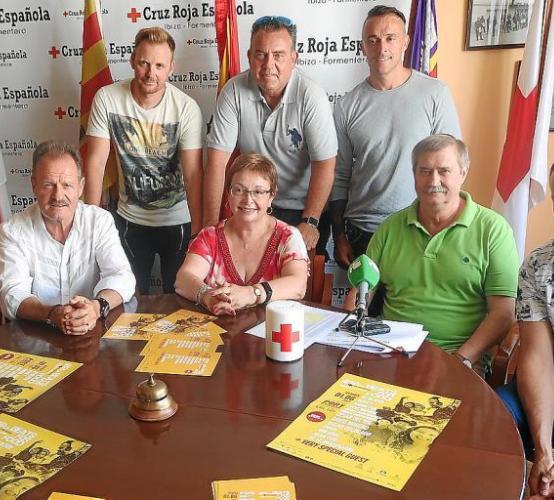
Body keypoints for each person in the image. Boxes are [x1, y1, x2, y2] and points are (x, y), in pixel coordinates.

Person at [366, 134, 518, 376]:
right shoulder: (390, 227)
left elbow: (503, 314)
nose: (433, 180)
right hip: (389, 353)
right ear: (414, 174)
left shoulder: (493, 230)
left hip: (459, 359)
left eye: (444, 171)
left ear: (463, 173)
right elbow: (361, 291)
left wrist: (461, 359)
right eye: (425, 171)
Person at [330, 5, 461, 270]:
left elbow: (452, 166)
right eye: (373, 40)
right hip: (363, 233)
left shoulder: (435, 94)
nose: (382, 48)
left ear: (405, 43)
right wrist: (339, 236)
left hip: (421, 230)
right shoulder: (346, 106)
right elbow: (340, 176)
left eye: (390, 38)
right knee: (362, 299)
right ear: (362, 47)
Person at [83, 27, 203, 294]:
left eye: (160, 66)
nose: (151, 73)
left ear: (171, 68)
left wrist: (198, 230)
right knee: (127, 299)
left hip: (177, 221)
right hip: (130, 220)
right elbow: (95, 163)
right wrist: (90, 223)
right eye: (144, 63)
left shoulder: (186, 108)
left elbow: (193, 173)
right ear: (132, 61)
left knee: (180, 300)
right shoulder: (107, 98)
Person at [203, 15, 337, 251]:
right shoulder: (233, 91)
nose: (268, 65)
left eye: (278, 55)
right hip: (253, 205)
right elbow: (217, 162)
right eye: (260, 55)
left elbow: (325, 164)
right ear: (249, 57)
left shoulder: (311, 96)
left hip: (302, 208)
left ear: (294, 58)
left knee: (298, 273)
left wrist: (310, 220)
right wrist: (210, 227)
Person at [0, 140, 135, 334]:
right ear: (34, 185)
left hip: (91, 332)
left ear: (81, 187)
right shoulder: (12, 231)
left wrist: (96, 307)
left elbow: (121, 275)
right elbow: (12, 295)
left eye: (67, 185)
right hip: (37, 337)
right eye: (48, 185)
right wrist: (53, 313)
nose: (58, 195)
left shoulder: (99, 221)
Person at [175, 153, 308, 316]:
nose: (247, 200)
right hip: (221, 329)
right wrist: (207, 296)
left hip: (271, 328)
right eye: (238, 190)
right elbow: (183, 279)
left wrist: (253, 293)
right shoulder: (210, 236)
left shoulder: (288, 236)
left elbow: (298, 285)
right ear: (228, 193)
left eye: (258, 192)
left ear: (271, 196)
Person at [495, 166, 554, 498]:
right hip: (547, 387)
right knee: (488, 415)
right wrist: (544, 450)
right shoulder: (538, 265)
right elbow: (538, 359)